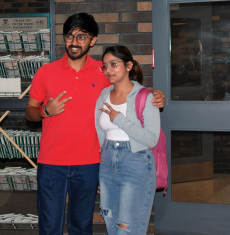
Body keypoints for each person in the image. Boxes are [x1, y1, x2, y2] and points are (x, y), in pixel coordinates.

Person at [26, 13, 165, 235]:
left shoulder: (104, 72)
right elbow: (29, 112)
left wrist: (155, 95)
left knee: (81, 227)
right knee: (49, 227)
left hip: (89, 164)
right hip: (51, 162)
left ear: (93, 40)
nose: (74, 42)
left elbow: (130, 89)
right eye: (70, 36)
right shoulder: (46, 72)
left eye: (82, 37)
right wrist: (44, 111)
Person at [95, 45, 160, 235]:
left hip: (136, 162)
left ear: (129, 66)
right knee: (111, 223)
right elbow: (100, 133)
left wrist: (120, 120)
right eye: (105, 66)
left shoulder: (146, 97)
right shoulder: (104, 95)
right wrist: (100, 167)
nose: (108, 70)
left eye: (114, 64)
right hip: (107, 163)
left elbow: (152, 139)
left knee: (127, 229)